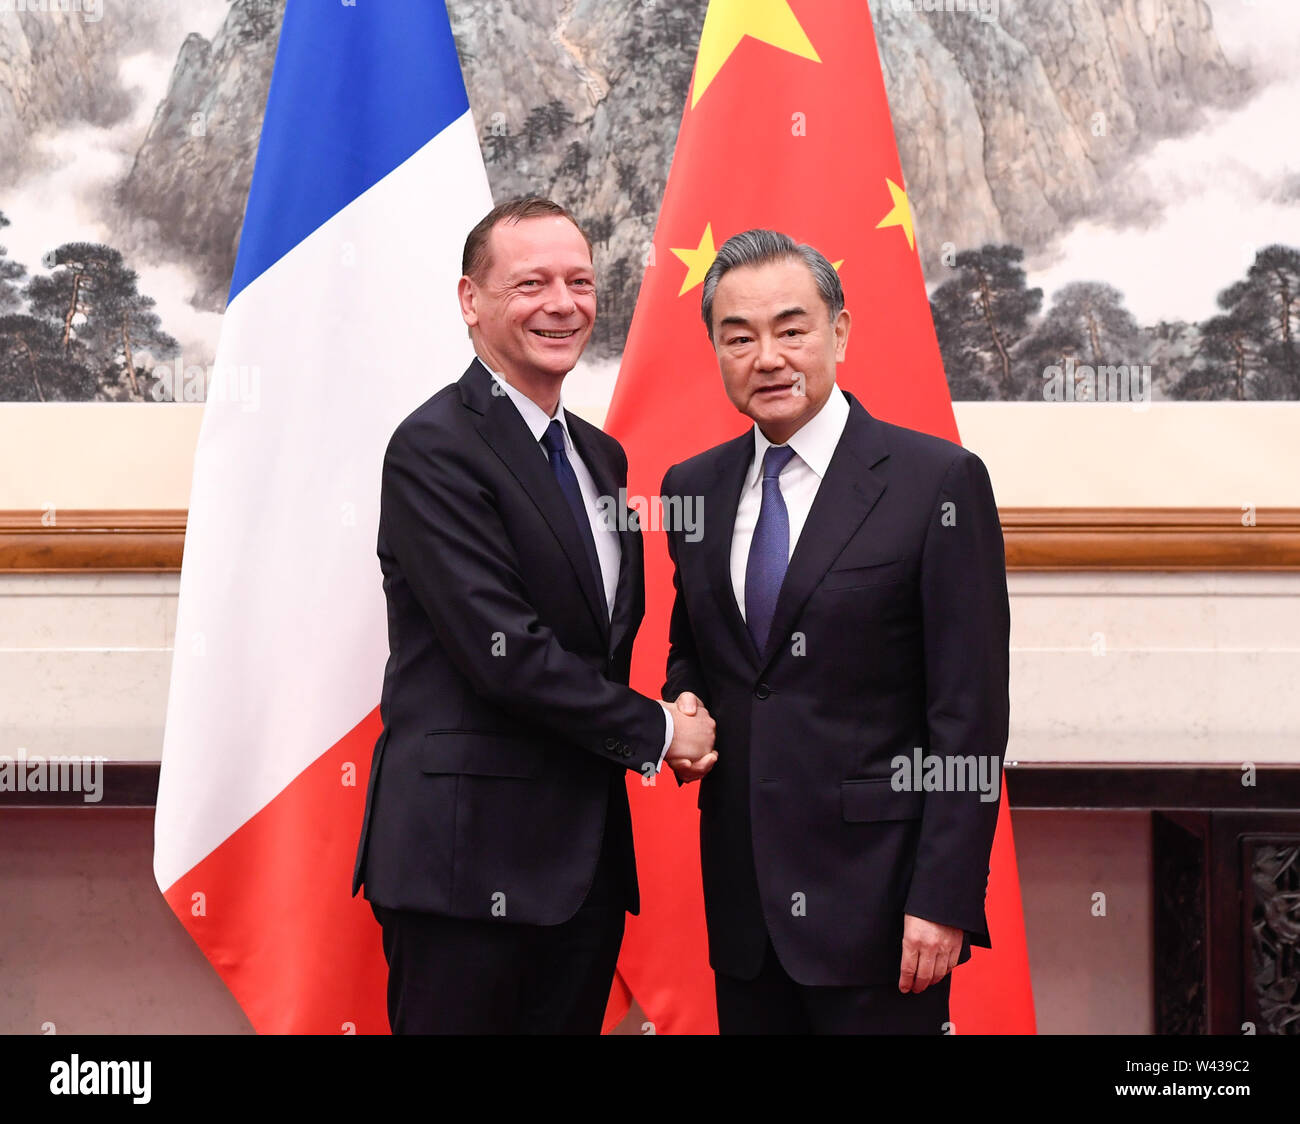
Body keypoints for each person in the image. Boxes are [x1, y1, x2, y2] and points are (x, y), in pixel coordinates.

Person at [352, 197, 716, 1034]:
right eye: (532, 284)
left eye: (580, 282)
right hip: (464, 865)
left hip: (580, 870)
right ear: (471, 301)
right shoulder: (434, 447)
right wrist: (663, 731)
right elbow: (504, 652)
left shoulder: (600, 455)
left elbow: (599, 642)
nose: (562, 303)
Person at [661, 229, 1009, 1034]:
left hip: (883, 912)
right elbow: (701, 649)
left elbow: (970, 716)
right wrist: (683, 700)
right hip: (746, 913)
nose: (769, 357)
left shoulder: (937, 484)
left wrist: (943, 896)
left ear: (840, 332)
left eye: (792, 329)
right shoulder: (694, 489)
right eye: (738, 337)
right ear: (714, 348)